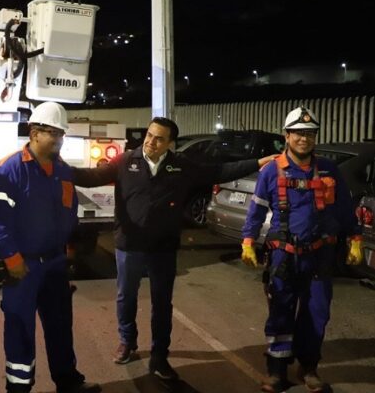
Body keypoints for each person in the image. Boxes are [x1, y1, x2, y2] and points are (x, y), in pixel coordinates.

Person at [72, 116, 275, 381]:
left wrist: (258, 162)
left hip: (163, 248)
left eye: (159, 138)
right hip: (129, 245)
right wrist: (53, 166)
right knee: (126, 297)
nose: (151, 142)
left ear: (170, 144)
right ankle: (127, 341)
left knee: (162, 304)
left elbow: (220, 171)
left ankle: (159, 356)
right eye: (149, 135)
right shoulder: (126, 161)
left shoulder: (181, 166)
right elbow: (91, 177)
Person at [240, 107, 363, 393]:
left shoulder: (330, 169)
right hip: (284, 255)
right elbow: (256, 211)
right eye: (298, 133)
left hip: (320, 255)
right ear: (287, 136)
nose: (304, 139)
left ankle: (309, 368)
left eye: (309, 134)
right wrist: (248, 241)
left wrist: (355, 237)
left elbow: (344, 207)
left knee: (316, 313)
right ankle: (276, 372)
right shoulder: (271, 171)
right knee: (281, 313)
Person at [0, 102, 101, 393]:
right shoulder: (9, 169)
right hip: (22, 267)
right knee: (20, 329)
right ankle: (19, 387)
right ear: (35, 132)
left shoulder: (62, 170)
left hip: (54, 263)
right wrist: (11, 259)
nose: (59, 140)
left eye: (61, 134)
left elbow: (68, 212)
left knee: (61, 326)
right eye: (53, 133)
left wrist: (68, 249)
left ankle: (68, 381)